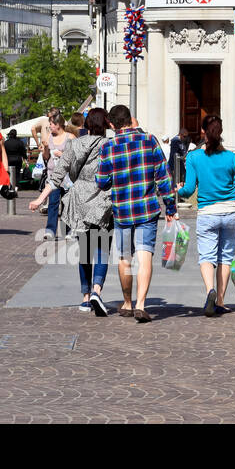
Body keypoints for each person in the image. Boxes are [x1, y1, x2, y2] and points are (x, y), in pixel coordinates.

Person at [96, 104, 176, 323]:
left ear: (112, 125)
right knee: (144, 254)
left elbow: (101, 182)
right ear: (131, 120)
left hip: (122, 210)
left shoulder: (109, 147)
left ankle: (128, 302)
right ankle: (141, 303)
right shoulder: (149, 140)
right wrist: (170, 206)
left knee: (124, 258)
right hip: (147, 208)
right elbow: (163, 176)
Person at [178, 115, 235, 316]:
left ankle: (209, 290)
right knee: (225, 257)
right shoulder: (232, 158)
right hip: (231, 211)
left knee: (207, 256)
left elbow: (188, 189)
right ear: (220, 132)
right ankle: (220, 300)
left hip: (208, 212)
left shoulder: (194, 157)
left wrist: (178, 190)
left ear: (203, 132)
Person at [48, 108, 113, 315]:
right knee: (102, 249)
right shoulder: (110, 145)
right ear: (106, 124)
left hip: (80, 200)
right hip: (103, 199)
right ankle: (96, 290)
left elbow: (58, 173)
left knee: (85, 251)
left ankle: (85, 297)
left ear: (86, 125)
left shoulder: (74, 144)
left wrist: (41, 198)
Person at [30, 109, 72, 238]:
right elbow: (46, 157)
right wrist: (46, 148)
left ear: (58, 124)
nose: (50, 127)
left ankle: (68, 230)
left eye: (52, 125)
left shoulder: (70, 137)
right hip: (53, 175)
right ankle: (50, 230)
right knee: (53, 203)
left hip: (67, 176)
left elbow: (76, 156)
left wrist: (63, 154)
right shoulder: (49, 137)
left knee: (67, 204)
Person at [3, 129, 27, 195]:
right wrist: (25, 158)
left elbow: (3, 152)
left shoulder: (6, 143)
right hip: (17, 160)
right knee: (17, 174)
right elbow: (23, 152)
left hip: (8, 160)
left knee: (8, 174)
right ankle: (16, 187)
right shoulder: (20, 142)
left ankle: (9, 187)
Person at [168, 127, 190, 194]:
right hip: (175, 164)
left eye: (186, 136)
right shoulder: (175, 141)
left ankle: (179, 195)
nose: (185, 138)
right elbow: (174, 154)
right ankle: (175, 196)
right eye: (184, 136)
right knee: (175, 182)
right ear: (180, 134)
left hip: (180, 163)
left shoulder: (182, 141)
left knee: (181, 180)